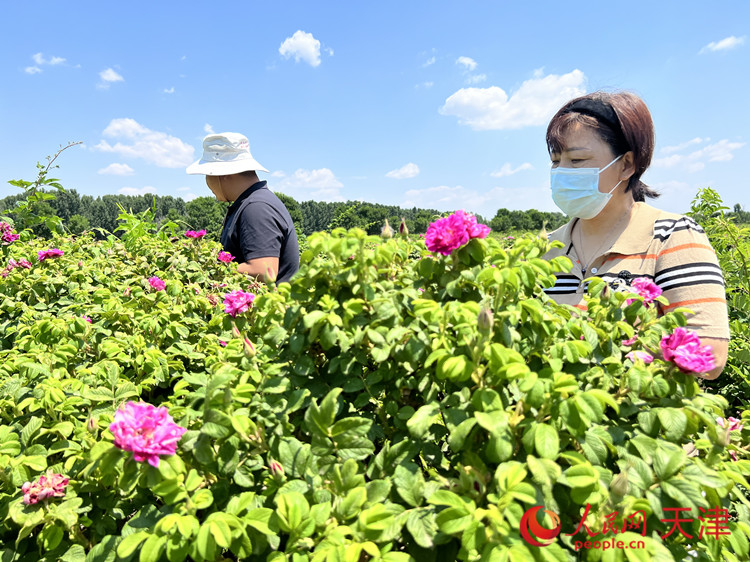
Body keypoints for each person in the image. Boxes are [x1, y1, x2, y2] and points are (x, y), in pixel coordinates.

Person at [542, 91, 729, 379]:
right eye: (556, 162)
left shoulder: (672, 237)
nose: (562, 172)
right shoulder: (545, 250)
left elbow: (709, 355)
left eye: (577, 160)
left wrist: (603, 343)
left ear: (627, 164)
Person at [186, 132, 299, 283]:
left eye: (207, 173)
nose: (207, 181)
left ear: (223, 173)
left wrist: (209, 267)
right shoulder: (252, 202)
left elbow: (264, 271)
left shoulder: (257, 207)